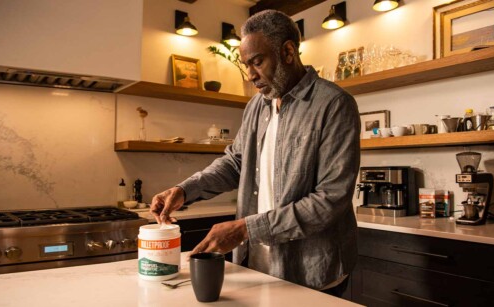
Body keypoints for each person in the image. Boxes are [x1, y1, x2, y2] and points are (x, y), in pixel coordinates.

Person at [151, 9, 360, 297]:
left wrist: (245, 229)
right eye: (246, 65)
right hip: (257, 264)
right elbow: (236, 163)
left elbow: (330, 200)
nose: (250, 75)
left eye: (257, 62)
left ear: (288, 51)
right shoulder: (257, 106)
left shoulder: (334, 104)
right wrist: (185, 190)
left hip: (311, 269)